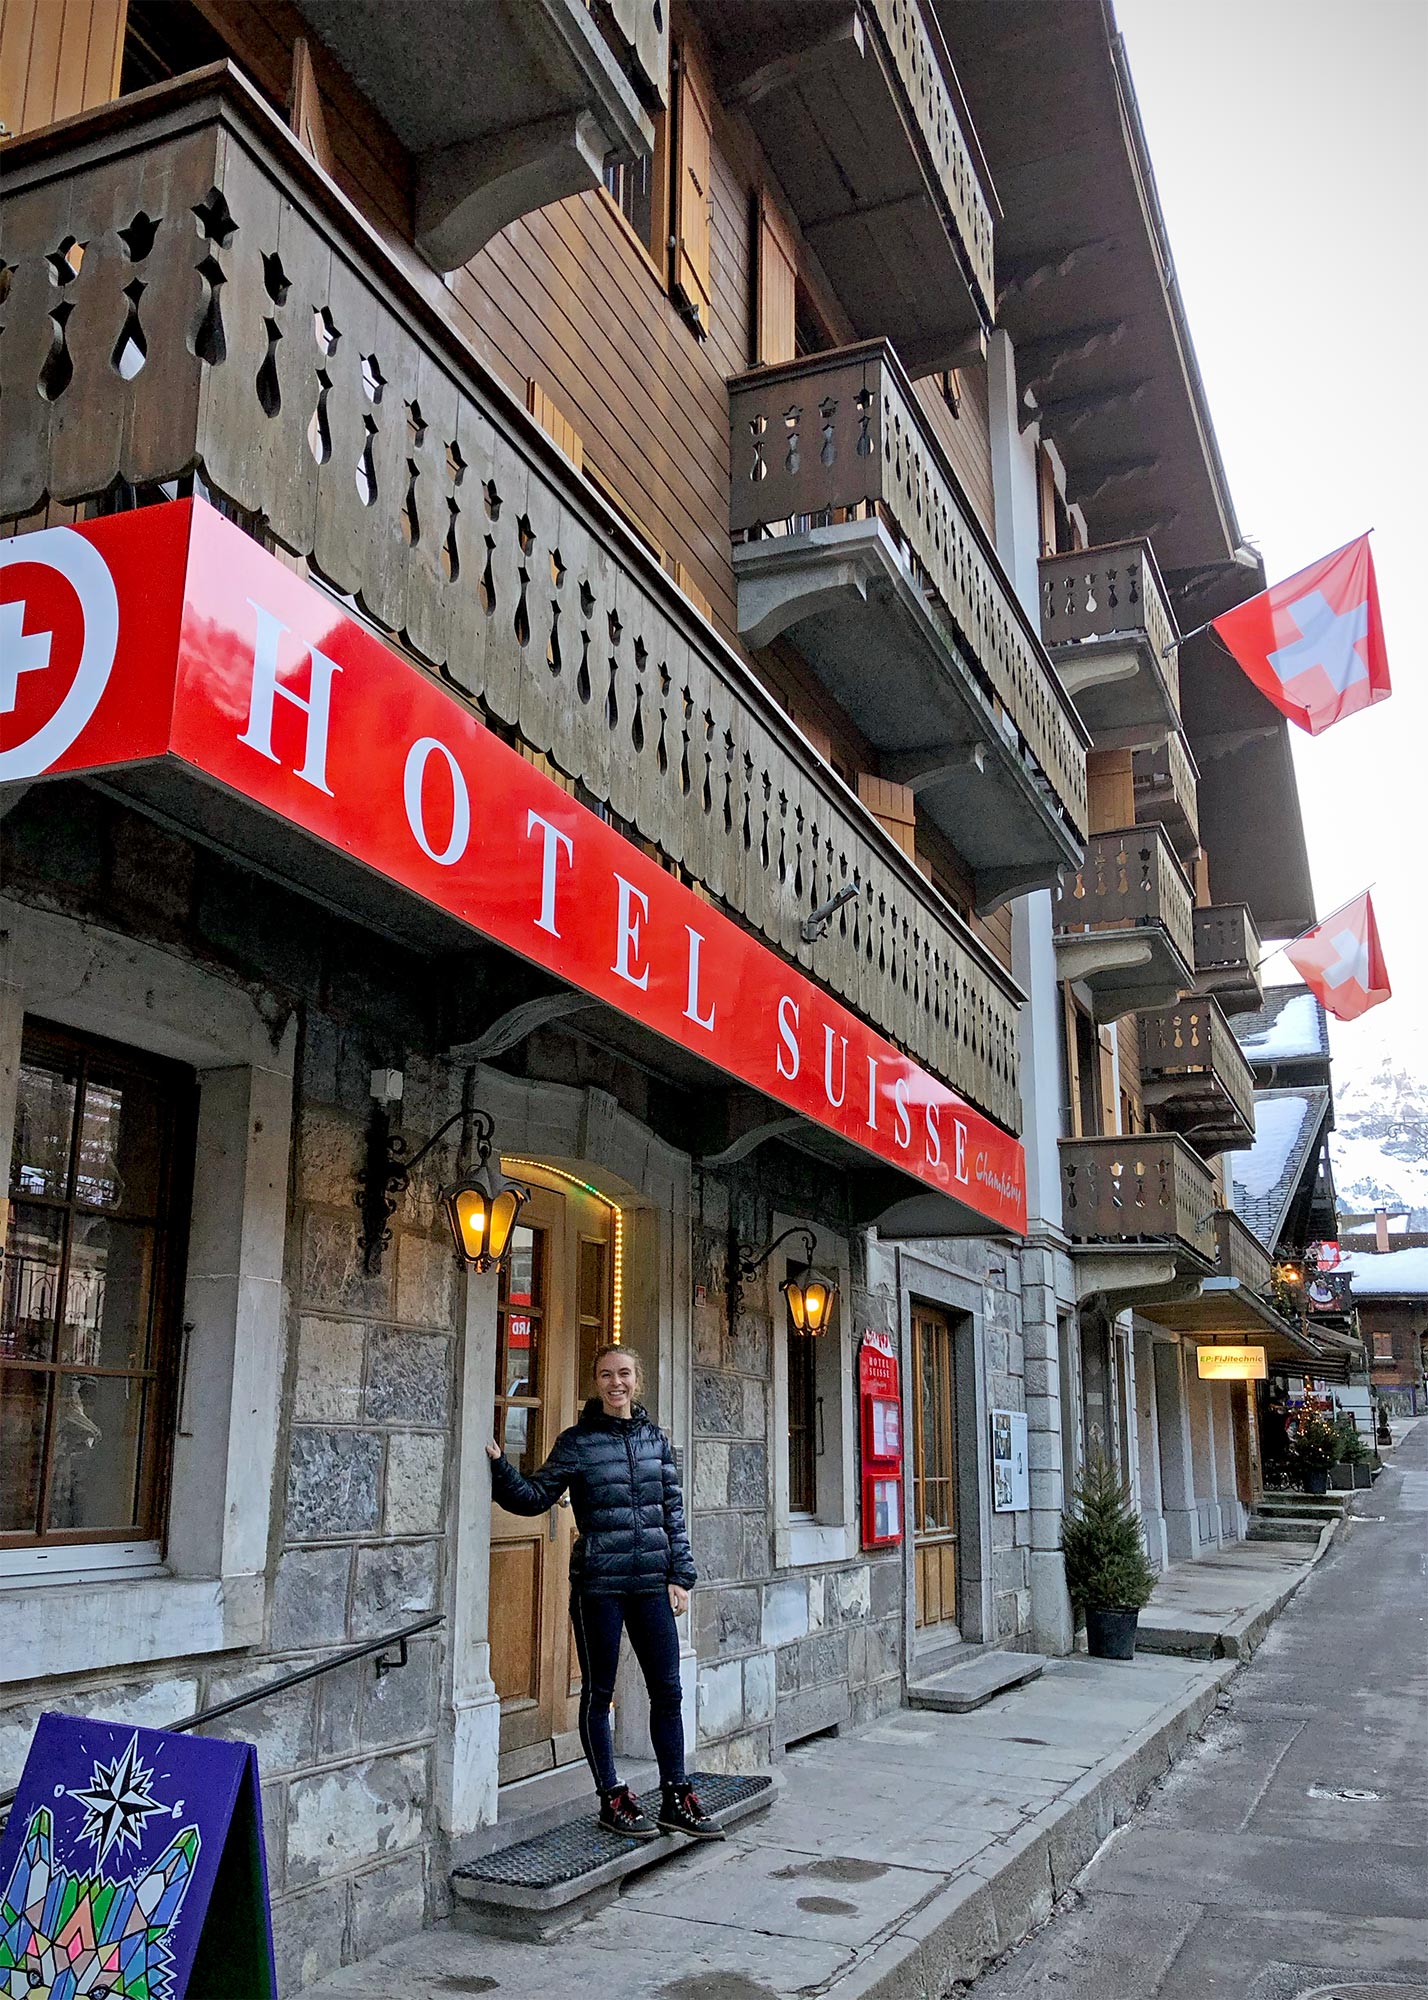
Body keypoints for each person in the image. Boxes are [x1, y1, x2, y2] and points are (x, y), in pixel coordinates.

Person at [486, 1342, 723, 1842]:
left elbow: (673, 1514)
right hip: (599, 1586)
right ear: (596, 1383)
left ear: (637, 1381)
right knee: (599, 1695)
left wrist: (681, 1575)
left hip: (651, 1585)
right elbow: (534, 1497)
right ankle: (611, 1797)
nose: (616, 1383)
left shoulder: (657, 1442)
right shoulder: (577, 1442)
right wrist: (500, 1467)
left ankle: (676, 1793)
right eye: (606, 1375)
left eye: (624, 1374)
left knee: (668, 1691)